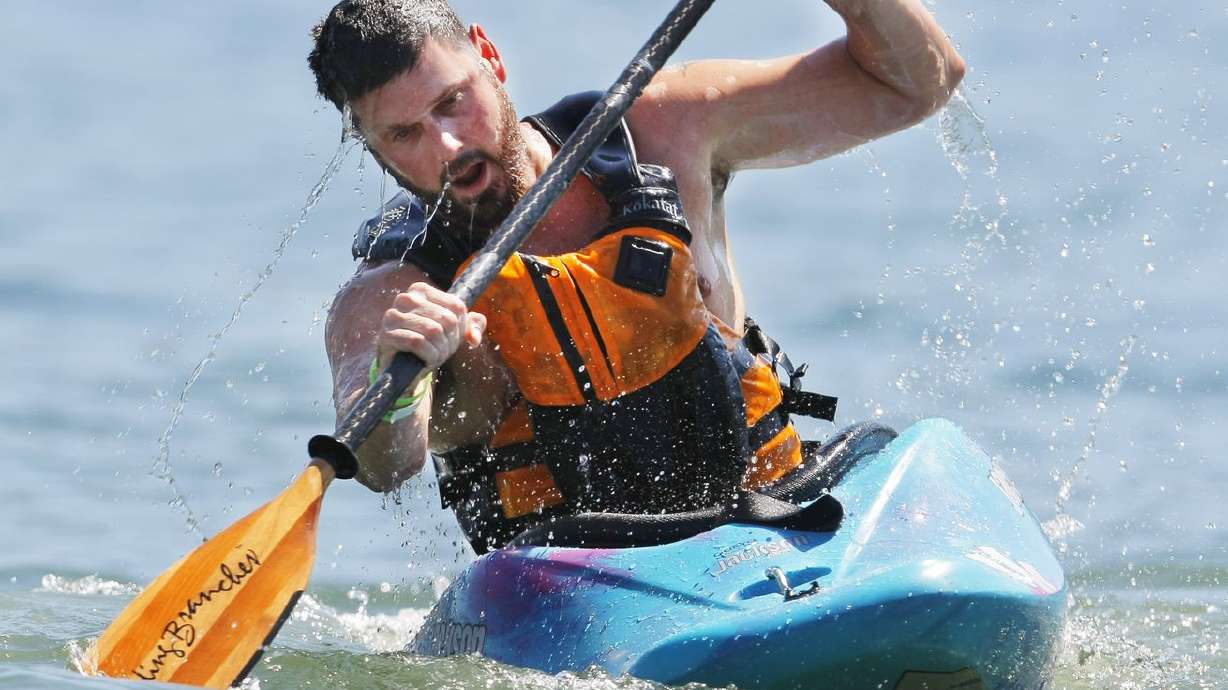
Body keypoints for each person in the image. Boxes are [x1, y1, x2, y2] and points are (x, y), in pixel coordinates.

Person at [309, 0, 964, 552]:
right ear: (369, 144)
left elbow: (914, 84)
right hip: (580, 579)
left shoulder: (661, 130)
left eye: (454, 102)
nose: (449, 147)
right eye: (404, 134)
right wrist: (397, 382)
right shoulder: (392, 297)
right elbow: (385, 464)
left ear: (489, 57)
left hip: (783, 515)